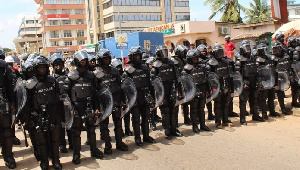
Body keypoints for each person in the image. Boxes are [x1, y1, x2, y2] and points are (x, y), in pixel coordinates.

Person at [65, 50, 103, 165]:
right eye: (81, 60)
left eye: (85, 60)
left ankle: (94, 150)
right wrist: (71, 109)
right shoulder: (72, 76)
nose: (83, 62)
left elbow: (95, 93)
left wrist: (96, 107)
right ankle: (76, 154)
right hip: (77, 106)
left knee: (91, 129)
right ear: (76, 61)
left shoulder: (91, 76)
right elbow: (66, 96)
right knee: (76, 132)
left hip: (89, 105)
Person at [24, 56, 62, 169]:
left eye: (44, 67)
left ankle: (56, 161)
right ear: (35, 69)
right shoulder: (30, 84)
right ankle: (44, 162)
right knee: (42, 142)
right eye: (39, 67)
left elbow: (59, 97)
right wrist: (28, 119)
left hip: (53, 114)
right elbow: (26, 104)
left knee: (55, 140)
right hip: (38, 116)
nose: (42, 69)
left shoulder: (52, 80)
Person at [95, 49, 129, 155]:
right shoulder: (96, 73)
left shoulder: (114, 71)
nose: (106, 60)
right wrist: (96, 106)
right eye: (104, 58)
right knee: (104, 126)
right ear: (100, 60)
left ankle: (119, 142)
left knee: (118, 123)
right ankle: (108, 146)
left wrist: (122, 100)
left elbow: (120, 86)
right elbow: (95, 91)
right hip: (103, 103)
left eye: (108, 58)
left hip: (116, 100)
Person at [123, 46, 156, 146]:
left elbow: (150, 83)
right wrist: (128, 100)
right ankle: (137, 138)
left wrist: (152, 96)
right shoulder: (128, 70)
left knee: (146, 117)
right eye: (135, 56)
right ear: (131, 57)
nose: (137, 57)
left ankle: (146, 136)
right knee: (136, 119)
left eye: (138, 55)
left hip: (145, 95)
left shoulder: (145, 67)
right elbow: (125, 87)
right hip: (135, 97)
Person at [150, 45, 182, 139]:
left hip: (171, 89)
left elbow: (177, 77)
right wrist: (158, 94)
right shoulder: (155, 65)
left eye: (165, 51)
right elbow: (153, 82)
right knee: (165, 111)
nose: (164, 54)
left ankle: (174, 129)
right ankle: (167, 130)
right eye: (162, 52)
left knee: (174, 110)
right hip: (162, 90)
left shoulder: (171, 63)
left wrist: (179, 90)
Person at [235, 40, 264, 125]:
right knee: (243, 101)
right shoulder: (239, 60)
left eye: (248, 47)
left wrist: (258, 79)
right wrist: (243, 83)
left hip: (253, 81)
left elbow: (256, 69)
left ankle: (255, 115)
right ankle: (243, 119)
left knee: (254, 99)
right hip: (245, 83)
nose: (248, 49)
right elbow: (237, 74)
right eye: (246, 47)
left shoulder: (252, 58)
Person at [183, 49, 211, 133]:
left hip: (202, 88)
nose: (195, 59)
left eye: (196, 58)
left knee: (201, 109)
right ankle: (195, 126)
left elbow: (207, 79)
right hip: (193, 90)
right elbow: (185, 83)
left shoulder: (202, 66)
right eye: (194, 58)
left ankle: (203, 125)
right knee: (194, 109)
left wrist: (208, 90)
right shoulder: (186, 69)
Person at [50, 53, 72, 153]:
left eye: (60, 64)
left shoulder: (68, 76)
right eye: (56, 65)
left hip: (68, 104)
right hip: (57, 106)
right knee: (60, 126)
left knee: (70, 123)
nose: (58, 67)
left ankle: (72, 143)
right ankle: (62, 144)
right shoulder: (51, 79)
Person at [208, 45, 233, 128]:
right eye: (218, 52)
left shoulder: (225, 61)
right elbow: (210, 77)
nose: (220, 54)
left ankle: (225, 120)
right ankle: (218, 122)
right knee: (218, 104)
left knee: (225, 104)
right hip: (216, 86)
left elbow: (229, 74)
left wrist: (229, 86)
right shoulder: (211, 63)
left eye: (221, 52)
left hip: (225, 84)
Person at [0, 47, 17, 169]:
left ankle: (8, 155)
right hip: (4, 102)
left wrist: (12, 102)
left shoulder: (5, 67)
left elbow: (11, 87)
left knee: (7, 131)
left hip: (3, 102)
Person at [111, 58, 133, 136]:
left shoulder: (124, 74)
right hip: (117, 98)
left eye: (119, 67)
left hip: (125, 96)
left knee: (127, 114)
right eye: (117, 67)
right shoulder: (112, 75)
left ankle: (127, 129)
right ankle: (120, 131)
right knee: (118, 116)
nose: (118, 69)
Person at [196, 44, 215, 120]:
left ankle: (210, 114)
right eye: (202, 51)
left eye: (205, 51)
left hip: (208, 81)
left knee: (209, 99)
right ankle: (198, 116)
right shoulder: (197, 60)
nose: (204, 52)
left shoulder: (208, 60)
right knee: (200, 101)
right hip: (200, 81)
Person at [173, 44, 191, 125]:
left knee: (185, 102)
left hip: (185, 83)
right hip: (177, 85)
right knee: (176, 104)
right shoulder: (174, 62)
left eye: (184, 52)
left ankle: (187, 119)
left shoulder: (184, 60)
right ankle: (175, 122)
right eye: (182, 52)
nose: (183, 53)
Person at [287, 37, 300, 107]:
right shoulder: (296, 50)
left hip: (295, 69)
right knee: (296, 87)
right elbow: (296, 62)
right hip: (294, 70)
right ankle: (294, 102)